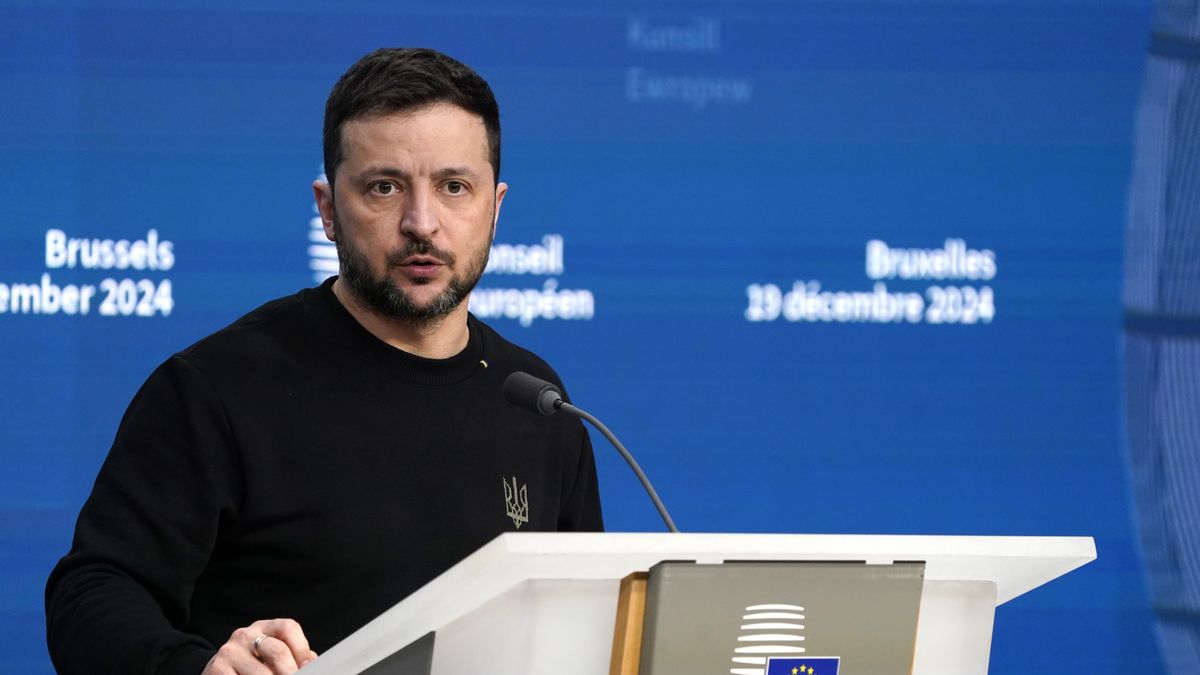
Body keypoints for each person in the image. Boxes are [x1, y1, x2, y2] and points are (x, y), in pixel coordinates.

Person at [45, 47, 604, 675]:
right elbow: (91, 596)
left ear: (495, 206)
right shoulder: (216, 388)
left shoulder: (536, 400)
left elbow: (588, 623)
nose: (423, 223)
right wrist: (196, 668)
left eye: (454, 187)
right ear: (328, 209)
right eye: (384, 187)